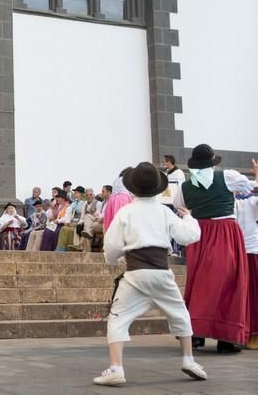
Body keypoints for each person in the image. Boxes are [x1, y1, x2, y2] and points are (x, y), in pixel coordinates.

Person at [94, 162, 206, 387]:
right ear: (157, 188)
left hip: (135, 274)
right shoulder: (164, 212)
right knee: (180, 314)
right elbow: (189, 236)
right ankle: (189, 359)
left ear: (132, 188)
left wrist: (112, 260)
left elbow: (112, 245)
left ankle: (116, 368)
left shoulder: (126, 211)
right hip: (161, 272)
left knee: (118, 318)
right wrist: (189, 218)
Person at [174, 144, 257, 353]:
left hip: (199, 233)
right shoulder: (227, 176)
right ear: (212, 162)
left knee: (199, 281)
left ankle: (195, 333)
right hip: (224, 231)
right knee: (230, 281)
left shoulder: (185, 186)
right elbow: (248, 187)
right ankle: (226, 338)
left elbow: (179, 206)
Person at [234, 159, 258, 349]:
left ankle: (246, 333)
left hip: (243, 252)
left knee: (245, 294)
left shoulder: (233, 203)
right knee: (251, 295)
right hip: (248, 252)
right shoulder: (248, 202)